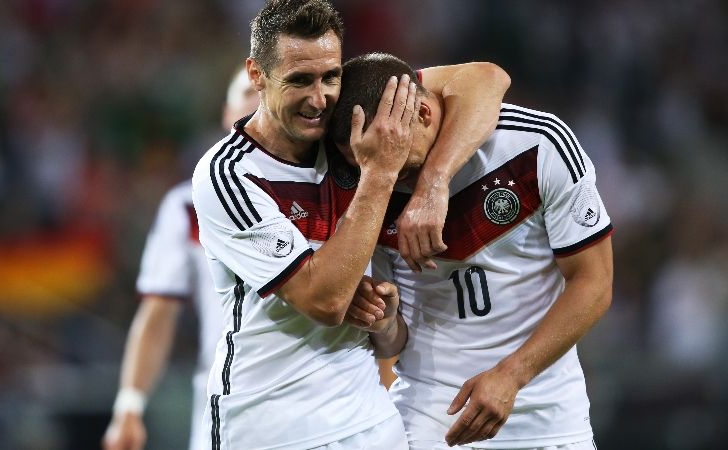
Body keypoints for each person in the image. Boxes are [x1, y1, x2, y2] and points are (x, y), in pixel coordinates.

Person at [190, 1, 509, 448]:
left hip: (370, 423)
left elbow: (486, 79)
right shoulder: (229, 175)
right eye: (299, 80)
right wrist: (380, 174)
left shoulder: (347, 132)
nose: (319, 99)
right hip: (271, 426)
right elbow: (325, 301)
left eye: (330, 77)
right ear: (257, 75)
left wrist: (433, 184)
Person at [331, 53, 614, 450]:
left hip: (548, 422)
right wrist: (385, 322)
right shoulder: (369, 186)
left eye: (402, 164)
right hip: (428, 423)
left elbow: (594, 283)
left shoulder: (536, 145)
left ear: (425, 114)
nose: (391, 178)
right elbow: (392, 344)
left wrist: (512, 375)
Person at [102, 68, 259, 450]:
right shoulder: (187, 206)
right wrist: (130, 404)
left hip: (324, 400)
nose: (261, 101)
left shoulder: (332, 195)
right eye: (250, 90)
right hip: (227, 401)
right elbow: (158, 312)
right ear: (227, 112)